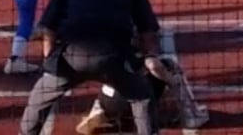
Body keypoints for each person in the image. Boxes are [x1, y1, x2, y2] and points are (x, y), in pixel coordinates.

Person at [17, 0, 162, 135]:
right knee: (141, 97)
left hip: (72, 58)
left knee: (39, 96)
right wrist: (148, 58)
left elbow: (49, 27)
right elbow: (148, 32)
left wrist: (50, 60)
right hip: (114, 59)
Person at [77, 54, 209, 134]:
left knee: (113, 78)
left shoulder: (109, 38)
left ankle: (100, 110)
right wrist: (171, 81)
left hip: (109, 99)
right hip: (134, 100)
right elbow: (153, 65)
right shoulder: (138, 36)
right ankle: (191, 116)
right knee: (169, 66)